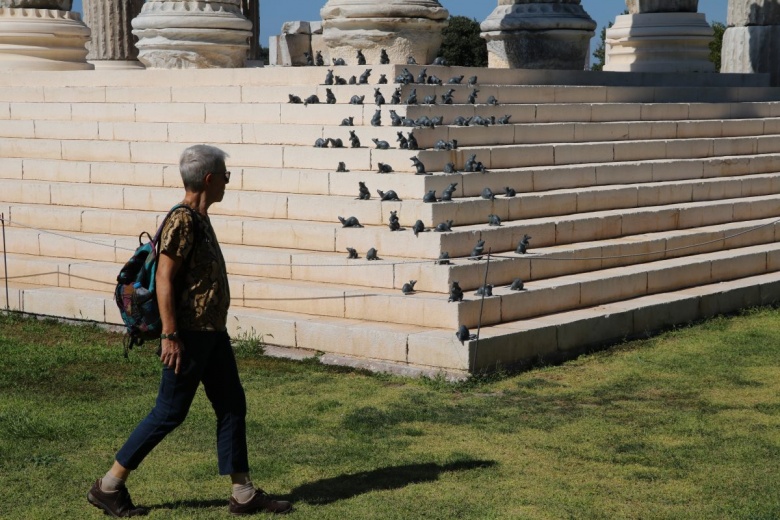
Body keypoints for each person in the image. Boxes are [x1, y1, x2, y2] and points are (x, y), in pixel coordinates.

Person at [87, 145, 292, 516]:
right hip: (189, 335)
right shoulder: (183, 220)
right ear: (210, 179)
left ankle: (243, 493)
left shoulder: (199, 217)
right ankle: (108, 485)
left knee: (231, 405)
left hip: (211, 332)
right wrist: (170, 335)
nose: (228, 183)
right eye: (226, 176)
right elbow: (164, 278)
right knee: (168, 412)